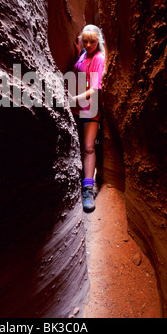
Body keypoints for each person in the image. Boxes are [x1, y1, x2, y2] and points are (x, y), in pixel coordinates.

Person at [71, 25, 105, 212]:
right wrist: (78, 51)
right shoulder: (84, 54)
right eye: (86, 41)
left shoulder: (99, 58)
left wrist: (73, 99)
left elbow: (95, 88)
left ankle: (88, 190)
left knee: (89, 147)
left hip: (90, 108)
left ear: (98, 40)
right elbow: (79, 69)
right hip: (77, 108)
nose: (89, 44)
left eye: (92, 41)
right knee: (81, 147)